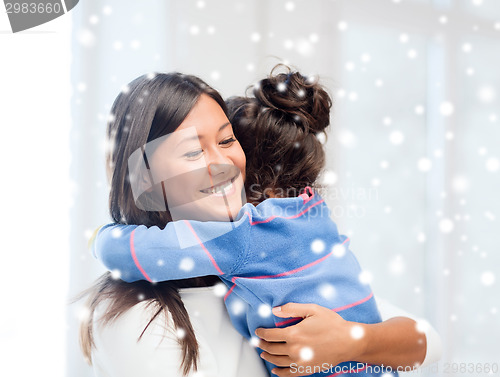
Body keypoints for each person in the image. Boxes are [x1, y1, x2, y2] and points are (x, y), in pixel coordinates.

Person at [79, 70, 441, 377]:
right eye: (193, 151)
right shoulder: (137, 314)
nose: (222, 163)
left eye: (226, 140)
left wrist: (349, 341)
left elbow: (426, 341)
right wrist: (360, 345)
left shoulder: (250, 244)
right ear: (142, 179)